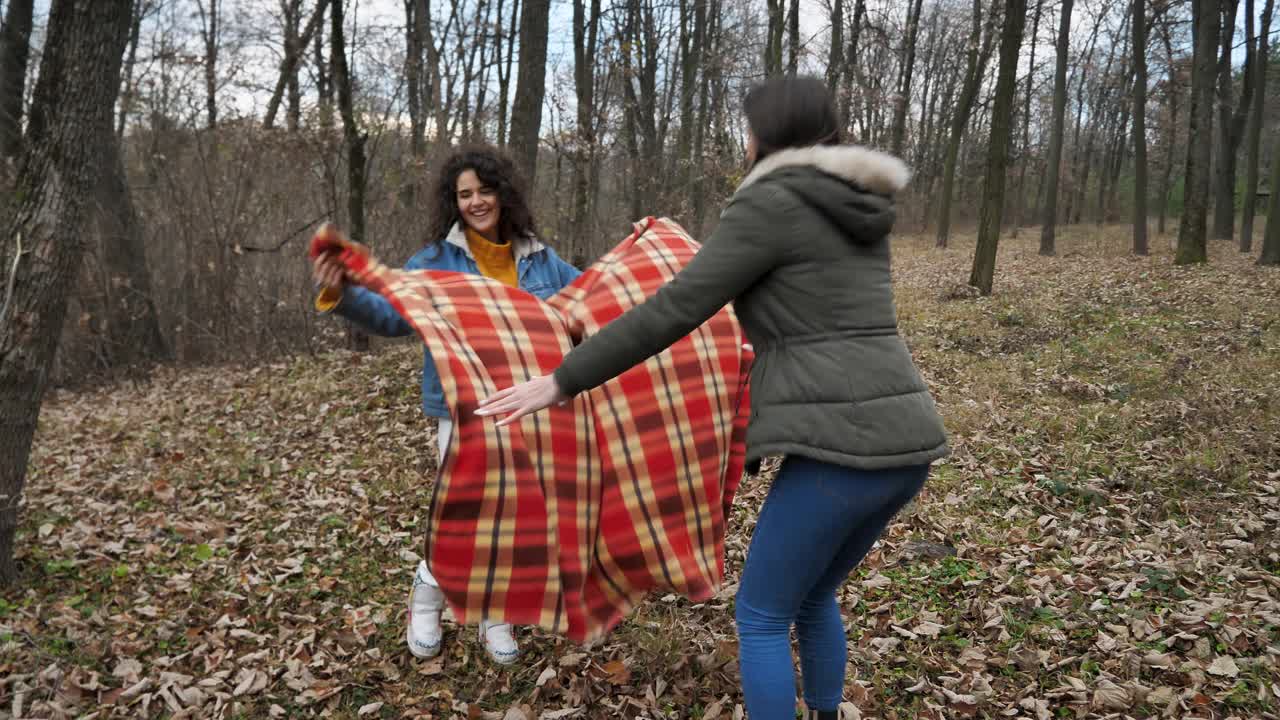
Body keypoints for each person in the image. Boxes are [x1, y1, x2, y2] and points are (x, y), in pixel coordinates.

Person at [476, 76, 949, 718]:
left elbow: (676, 307)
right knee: (812, 598)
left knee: (760, 616)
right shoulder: (855, 205)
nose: (743, 140)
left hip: (844, 451)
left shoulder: (773, 202)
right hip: (909, 442)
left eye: (749, 127)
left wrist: (561, 379)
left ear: (769, 135)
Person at [312, 145, 581, 665]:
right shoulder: (434, 261)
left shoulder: (542, 258)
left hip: (527, 403)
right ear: (452, 202)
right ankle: (428, 596)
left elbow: (588, 302)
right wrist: (340, 292)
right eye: (464, 194)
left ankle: (494, 612)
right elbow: (392, 317)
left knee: (516, 511)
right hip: (460, 408)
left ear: (503, 193)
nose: (476, 202)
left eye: (484, 190)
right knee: (464, 510)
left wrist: (640, 264)